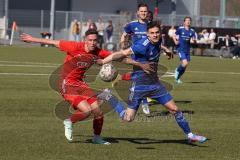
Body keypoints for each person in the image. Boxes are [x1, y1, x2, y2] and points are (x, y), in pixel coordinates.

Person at [97, 21, 207, 144]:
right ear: (147, 34)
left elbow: (158, 46)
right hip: (139, 86)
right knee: (128, 118)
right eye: (152, 33)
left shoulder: (158, 40)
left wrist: (166, 50)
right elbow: (122, 55)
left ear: (160, 33)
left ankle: (190, 135)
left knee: (175, 109)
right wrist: (104, 61)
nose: (155, 35)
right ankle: (109, 96)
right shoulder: (141, 45)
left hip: (155, 85)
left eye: (157, 32)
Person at [20, 30, 112, 144]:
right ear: (85, 40)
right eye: (90, 40)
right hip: (67, 84)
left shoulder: (98, 51)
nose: (93, 43)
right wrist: (32, 39)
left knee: (98, 112)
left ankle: (97, 138)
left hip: (80, 83)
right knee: (87, 111)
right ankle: (69, 121)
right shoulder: (74, 46)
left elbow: (117, 56)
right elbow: (53, 42)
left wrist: (137, 59)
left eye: (95, 40)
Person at [118, 3, 151, 115]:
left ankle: (137, 94)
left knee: (144, 80)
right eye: (141, 11)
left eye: (145, 11)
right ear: (138, 12)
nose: (143, 13)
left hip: (149, 57)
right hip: (136, 57)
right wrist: (123, 44)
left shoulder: (151, 26)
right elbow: (124, 35)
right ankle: (144, 101)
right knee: (144, 79)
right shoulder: (131, 25)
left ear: (147, 13)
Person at [173, 17, 197, 84]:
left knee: (185, 66)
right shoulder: (180, 29)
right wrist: (175, 41)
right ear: (184, 22)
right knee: (185, 63)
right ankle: (177, 70)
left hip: (187, 50)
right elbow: (174, 35)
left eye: (189, 20)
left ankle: (178, 78)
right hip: (181, 49)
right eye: (187, 20)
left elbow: (194, 40)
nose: (188, 22)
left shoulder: (192, 31)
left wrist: (194, 41)